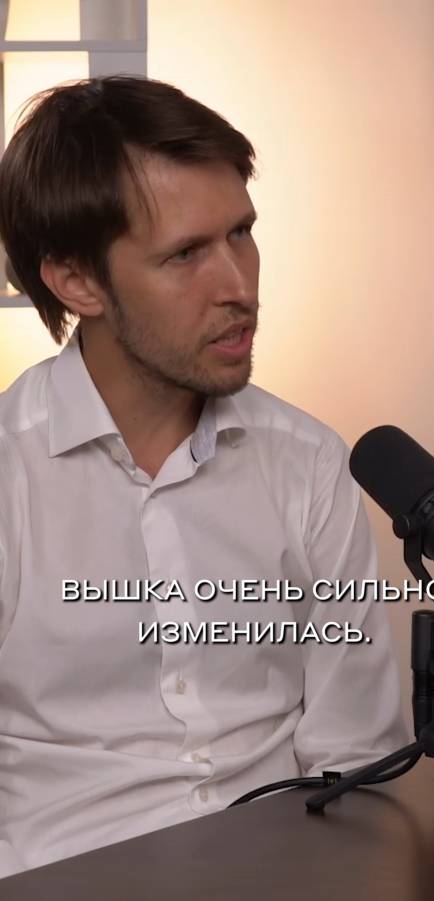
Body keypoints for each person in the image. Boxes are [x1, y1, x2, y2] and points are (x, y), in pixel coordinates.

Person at [0, 75, 407, 878]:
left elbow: (356, 757)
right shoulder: (12, 473)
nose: (239, 286)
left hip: (286, 874)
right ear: (77, 281)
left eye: (242, 234)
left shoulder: (308, 460)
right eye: (185, 253)